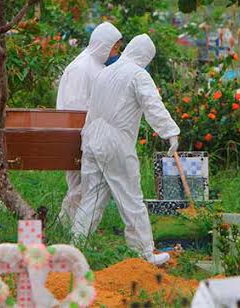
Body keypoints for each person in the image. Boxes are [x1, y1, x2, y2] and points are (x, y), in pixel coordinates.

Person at [72, 34, 180, 266]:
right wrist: (170, 131)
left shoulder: (104, 72)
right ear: (146, 57)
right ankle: (144, 253)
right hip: (115, 142)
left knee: (91, 198)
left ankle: (75, 248)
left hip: (92, 139)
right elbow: (153, 104)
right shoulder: (138, 75)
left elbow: (92, 109)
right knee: (131, 198)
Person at [56, 22, 122, 224]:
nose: (115, 52)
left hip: (91, 135)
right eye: (114, 47)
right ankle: (69, 227)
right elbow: (74, 108)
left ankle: (74, 228)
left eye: (118, 48)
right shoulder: (82, 67)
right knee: (81, 185)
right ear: (103, 44)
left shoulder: (96, 65)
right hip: (78, 135)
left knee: (85, 185)